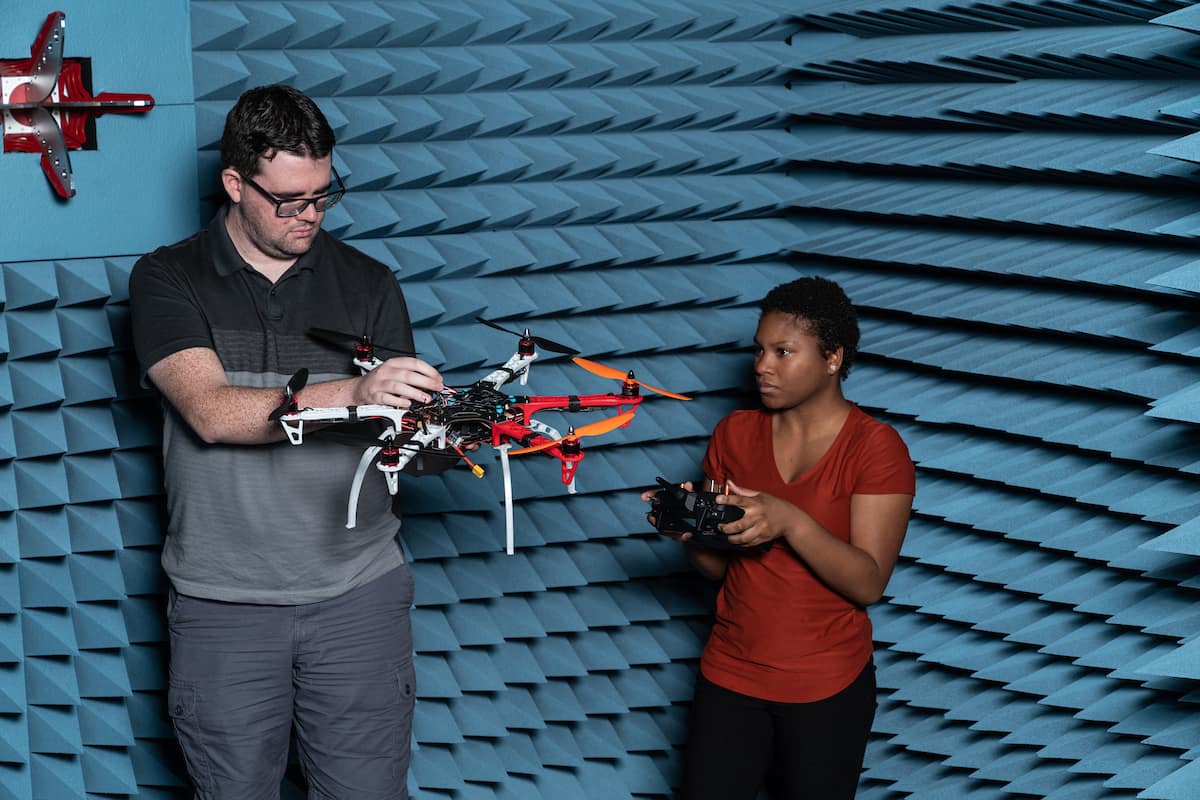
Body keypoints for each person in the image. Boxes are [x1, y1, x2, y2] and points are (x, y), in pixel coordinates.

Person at [129, 84, 443, 799]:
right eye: (289, 200)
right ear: (235, 184)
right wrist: (355, 392)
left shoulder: (369, 283)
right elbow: (210, 412)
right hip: (223, 604)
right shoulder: (168, 277)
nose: (311, 215)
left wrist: (448, 435)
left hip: (359, 596)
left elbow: (400, 442)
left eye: (324, 195)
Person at [644, 277, 915, 799]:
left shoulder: (876, 449)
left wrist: (791, 520)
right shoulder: (734, 433)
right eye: (759, 350)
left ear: (832, 358)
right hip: (730, 675)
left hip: (826, 686)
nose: (762, 366)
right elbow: (720, 569)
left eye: (783, 352)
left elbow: (868, 583)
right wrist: (689, 531)